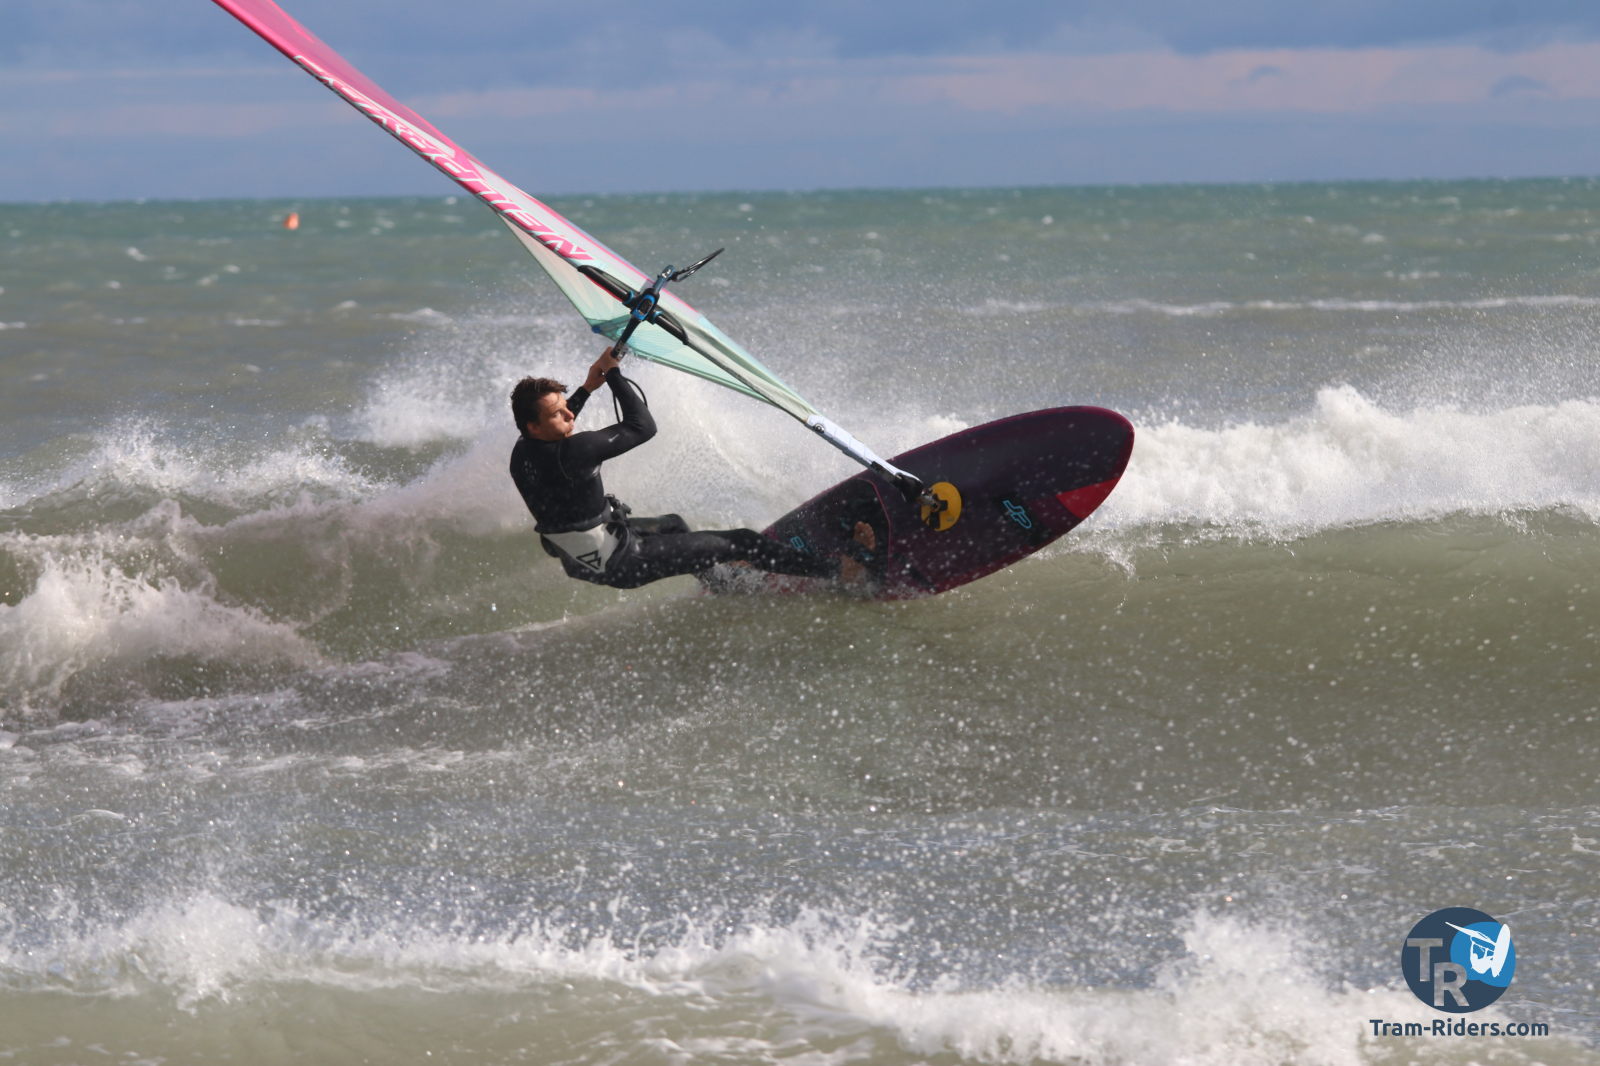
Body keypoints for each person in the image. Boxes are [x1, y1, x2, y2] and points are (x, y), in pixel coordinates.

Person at [509, 347, 854, 589]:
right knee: (743, 541)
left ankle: (719, 585)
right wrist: (613, 375)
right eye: (558, 413)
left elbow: (556, 428)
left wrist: (587, 388)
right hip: (624, 561)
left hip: (582, 561)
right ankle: (837, 571)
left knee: (673, 524)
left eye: (566, 406)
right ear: (534, 425)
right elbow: (643, 427)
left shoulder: (523, 451)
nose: (570, 414)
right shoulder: (578, 450)